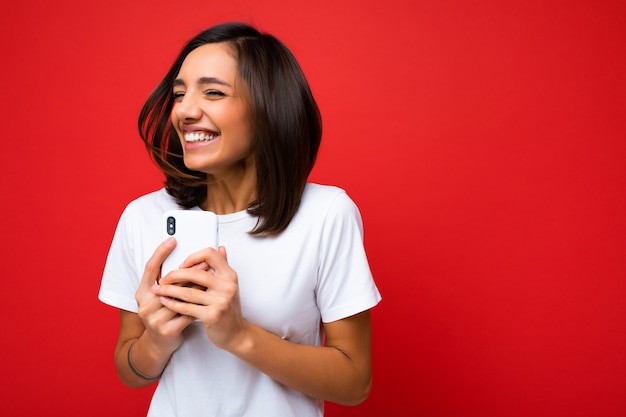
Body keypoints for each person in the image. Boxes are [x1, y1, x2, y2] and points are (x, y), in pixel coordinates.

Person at [99, 21, 381, 417]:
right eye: (179, 94)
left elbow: (355, 381)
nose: (185, 110)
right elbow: (131, 371)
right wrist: (157, 340)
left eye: (213, 92)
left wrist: (238, 335)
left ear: (269, 108)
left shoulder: (326, 214)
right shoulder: (144, 216)